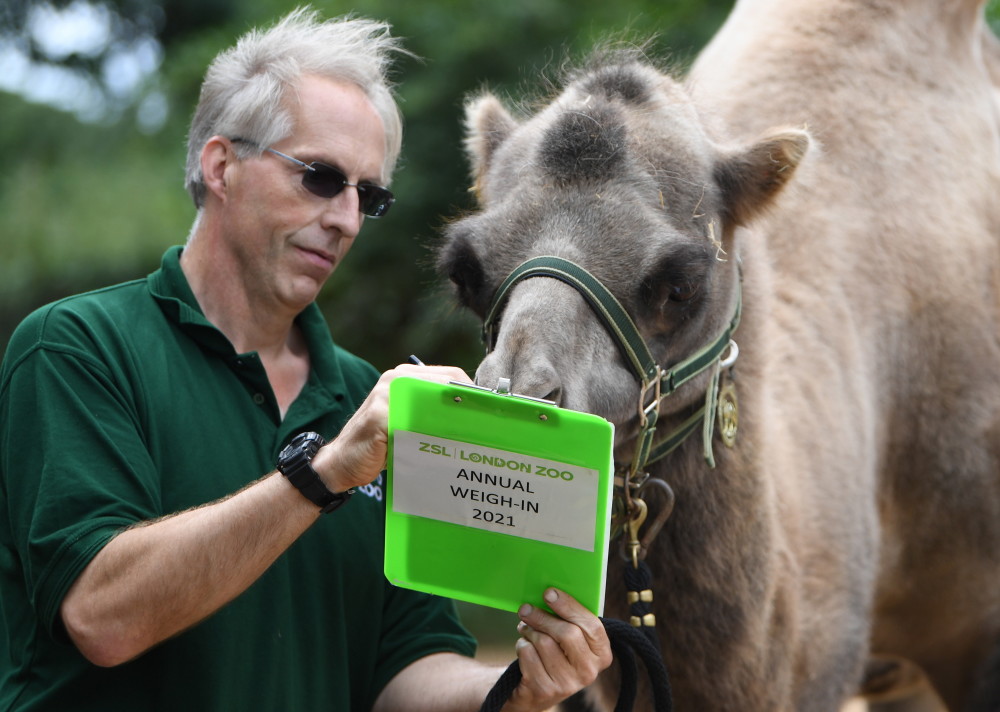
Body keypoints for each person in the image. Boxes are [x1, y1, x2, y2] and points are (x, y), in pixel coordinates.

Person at [0, 8, 611, 711]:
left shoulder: (372, 397)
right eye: (321, 178)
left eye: (369, 195)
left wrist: (521, 688)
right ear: (222, 165)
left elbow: (404, 670)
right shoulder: (77, 346)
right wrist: (324, 474)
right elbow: (102, 617)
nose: (347, 218)